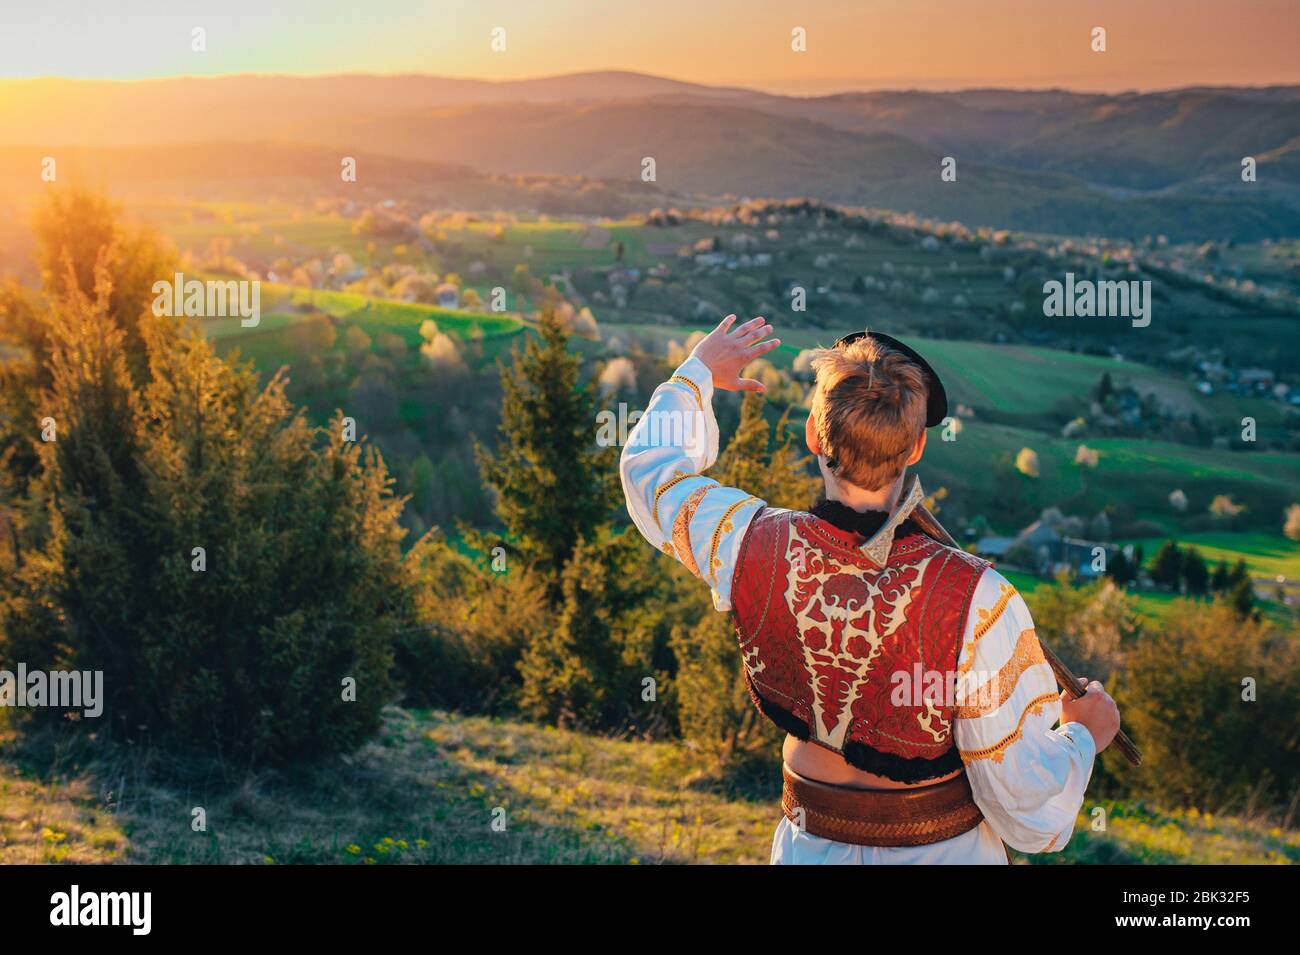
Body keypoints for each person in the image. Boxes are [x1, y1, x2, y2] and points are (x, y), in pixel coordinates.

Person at [619, 315, 1121, 864]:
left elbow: (654, 475)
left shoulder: (749, 541)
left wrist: (698, 374)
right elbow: (1021, 802)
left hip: (806, 852)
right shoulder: (978, 597)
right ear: (915, 449)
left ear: (814, 433)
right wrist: (1079, 738)